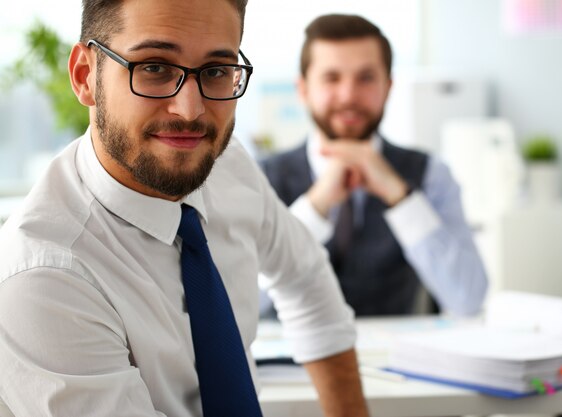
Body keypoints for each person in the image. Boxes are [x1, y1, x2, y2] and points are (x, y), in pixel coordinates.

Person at [0, 1, 370, 416]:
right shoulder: (43, 277)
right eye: (155, 68)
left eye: (214, 71)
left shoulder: (226, 165)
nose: (190, 111)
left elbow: (306, 278)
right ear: (86, 76)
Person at [260, 14, 488, 317]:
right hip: (290, 360)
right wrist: (316, 205)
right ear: (303, 90)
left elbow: (468, 299)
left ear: (388, 87)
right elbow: (238, 300)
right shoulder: (262, 176)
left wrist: (401, 196)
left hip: (396, 357)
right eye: (332, 78)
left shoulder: (431, 174)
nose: (348, 95)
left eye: (365, 78)